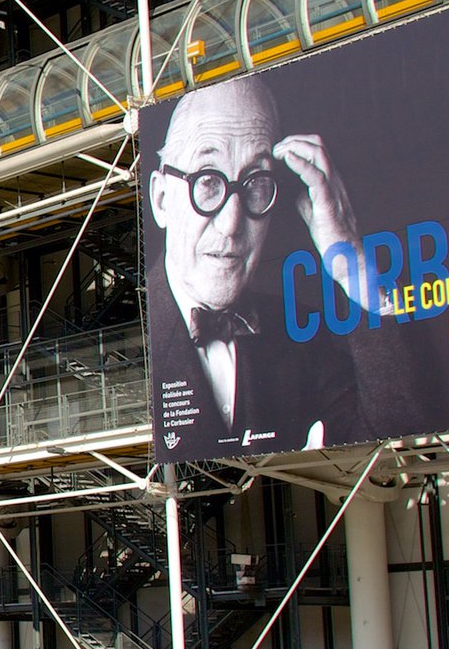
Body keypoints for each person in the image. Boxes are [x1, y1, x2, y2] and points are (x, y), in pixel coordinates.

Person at [143, 79, 364, 459]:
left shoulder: (303, 332)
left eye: (255, 183)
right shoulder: (126, 337)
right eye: (207, 181)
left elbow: (401, 434)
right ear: (162, 200)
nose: (231, 223)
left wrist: (355, 269)